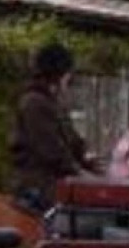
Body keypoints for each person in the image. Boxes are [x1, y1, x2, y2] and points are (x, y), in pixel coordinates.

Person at [9, 41, 96, 211]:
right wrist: (80, 173)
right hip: (40, 183)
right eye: (68, 74)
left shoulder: (53, 104)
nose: (69, 79)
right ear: (59, 74)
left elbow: (72, 141)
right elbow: (51, 151)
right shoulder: (34, 103)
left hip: (57, 177)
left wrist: (87, 159)